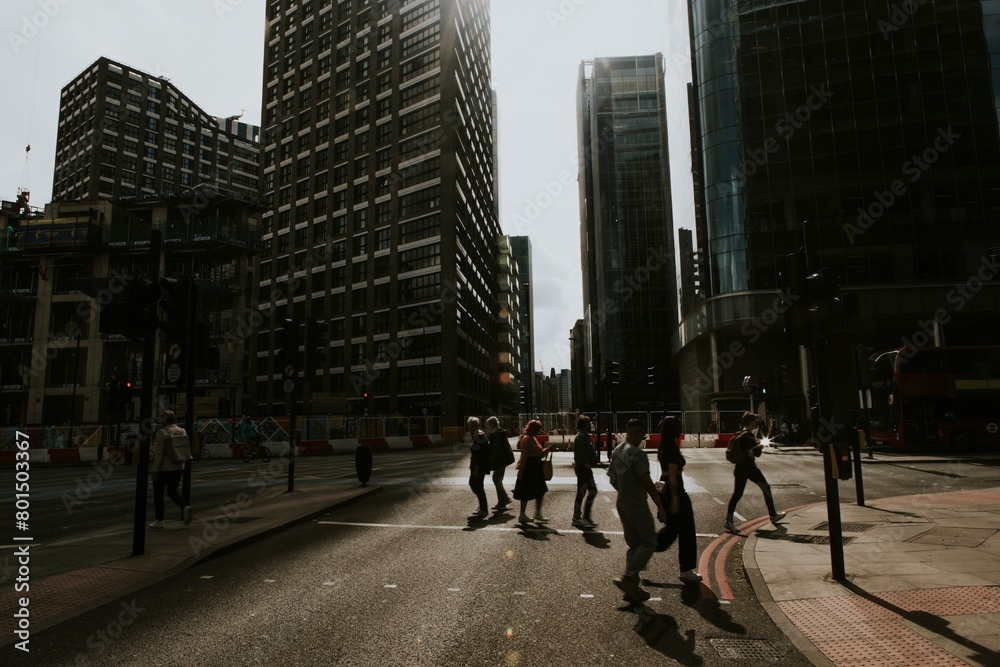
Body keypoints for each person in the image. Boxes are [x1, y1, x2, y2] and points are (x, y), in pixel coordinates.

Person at [609, 419, 667, 604]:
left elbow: (612, 479)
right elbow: (646, 481)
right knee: (649, 541)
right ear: (635, 433)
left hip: (622, 503)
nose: (642, 439)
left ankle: (632, 589)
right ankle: (628, 577)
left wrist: (625, 492)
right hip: (637, 505)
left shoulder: (617, 451)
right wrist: (659, 504)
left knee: (634, 546)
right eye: (642, 435)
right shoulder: (637, 454)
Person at [655, 417, 702, 581]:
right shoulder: (671, 447)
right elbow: (674, 475)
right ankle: (686, 569)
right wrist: (676, 499)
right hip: (675, 491)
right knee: (687, 530)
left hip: (665, 491)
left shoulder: (664, 445)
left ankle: (645, 547)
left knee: (672, 530)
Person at [724, 412, 786, 533]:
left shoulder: (739, 434)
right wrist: (759, 445)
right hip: (750, 469)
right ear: (752, 422)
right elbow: (758, 453)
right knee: (766, 487)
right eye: (755, 423)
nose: (755, 425)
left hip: (739, 468)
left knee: (737, 494)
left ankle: (729, 520)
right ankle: (773, 515)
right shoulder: (748, 436)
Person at [150, 410, 191, 528]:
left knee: (158, 494)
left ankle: (159, 520)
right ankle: (185, 507)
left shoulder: (162, 433)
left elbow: (159, 453)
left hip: (164, 468)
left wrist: (155, 469)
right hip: (178, 466)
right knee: (172, 491)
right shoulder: (182, 430)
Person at [513, 419, 549, 524]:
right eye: (538, 429)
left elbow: (539, 453)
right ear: (533, 429)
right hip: (530, 467)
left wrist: (546, 450)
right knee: (526, 491)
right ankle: (524, 514)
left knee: (540, 490)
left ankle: (535, 513)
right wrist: (521, 470)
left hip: (535, 467)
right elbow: (524, 456)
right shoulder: (527, 439)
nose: (539, 431)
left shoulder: (533, 438)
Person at [572, 415, 599, 528]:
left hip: (583, 468)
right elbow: (581, 454)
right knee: (591, 491)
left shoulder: (583, 436)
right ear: (583, 425)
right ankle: (583, 517)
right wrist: (586, 463)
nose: (590, 425)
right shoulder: (580, 437)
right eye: (588, 423)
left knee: (582, 491)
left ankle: (578, 516)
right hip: (583, 469)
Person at [486, 416, 515, 510]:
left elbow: (496, 449)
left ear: (491, 424)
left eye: (488, 425)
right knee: (498, 480)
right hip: (503, 460)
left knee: (496, 479)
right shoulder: (499, 432)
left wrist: (491, 461)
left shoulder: (497, 434)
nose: (488, 427)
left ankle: (502, 502)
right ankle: (504, 499)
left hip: (500, 460)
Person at [466, 416, 492, 518]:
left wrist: (476, 469)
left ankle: (484, 508)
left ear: (472, 426)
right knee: (478, 485)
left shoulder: (478, 436)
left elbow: (479, 455)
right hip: (479, 465)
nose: (468, 426)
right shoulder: (478, 434)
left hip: (479, 466)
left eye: (469, 425)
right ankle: (482, 506)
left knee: (475, 485)